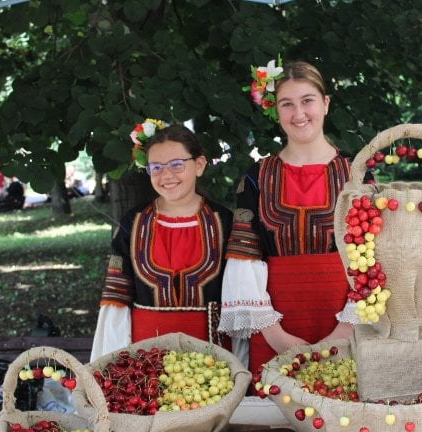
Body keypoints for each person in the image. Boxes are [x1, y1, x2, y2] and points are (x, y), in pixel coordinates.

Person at [219, 60, 360, 376]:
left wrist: (346, 330)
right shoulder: (256, 177)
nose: (299, 114)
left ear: (325, 103)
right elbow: (244, 256)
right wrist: (274, 334)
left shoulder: (358, 174)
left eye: (307, 100)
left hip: (347, 323)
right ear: (275, 110)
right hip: (273, 323)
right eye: (287, 104)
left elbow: (377, 257)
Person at [90, 122, 233, 361]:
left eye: (177, 164)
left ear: (199, 165)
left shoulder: (225, 223)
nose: (166, 175)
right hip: (145, 363)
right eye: (155, 167)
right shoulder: (133, 224)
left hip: (214, 362)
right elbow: (116, 300)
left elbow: (241, 296)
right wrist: (112, 365)